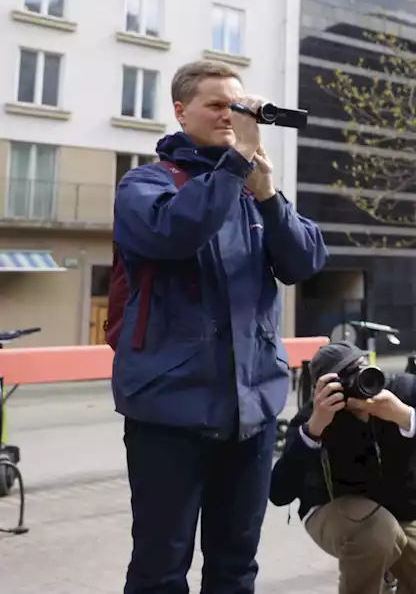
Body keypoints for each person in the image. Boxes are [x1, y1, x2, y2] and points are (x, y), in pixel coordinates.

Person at [112, 59, 329, 593]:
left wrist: (271, 197)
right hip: (169, 412)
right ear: (181, 111)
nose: (230, 116)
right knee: (160, 569)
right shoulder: (145, 184)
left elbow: (304, 263)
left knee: (236, 566)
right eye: (216, 105)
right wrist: (235, 164)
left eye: (237, 105)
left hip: (250, 416)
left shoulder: (251, 191)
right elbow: (174, 232)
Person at [269, 342, 416, 594]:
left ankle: (392, 575)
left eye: (363, 372)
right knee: (378, 534)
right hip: (333, 510)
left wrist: (404, 415)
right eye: (348, 381)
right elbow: (279, 493)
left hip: (402, 514)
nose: (361, 386)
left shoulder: (403, 392)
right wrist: (314, 430)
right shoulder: (318, 414)